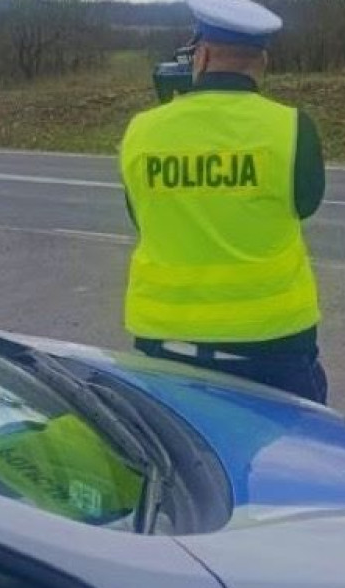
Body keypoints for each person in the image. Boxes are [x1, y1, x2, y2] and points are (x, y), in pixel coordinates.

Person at [119, 0, 329, 403]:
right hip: (272, 340)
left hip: (165, 338)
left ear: (202, 55)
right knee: (290, 443)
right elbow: (306, 204)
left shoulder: (142, 130)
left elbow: (140, 215)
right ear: (262, 62)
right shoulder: (291, 127)